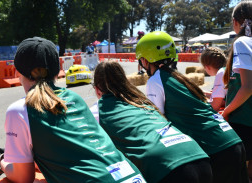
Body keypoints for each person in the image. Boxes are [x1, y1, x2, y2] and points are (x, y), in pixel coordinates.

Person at [0, 37, 146, 183]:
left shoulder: (19, 110)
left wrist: (1, 160)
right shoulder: (75, 99)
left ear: (17, 71)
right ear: (57, 72)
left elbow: (23, 178)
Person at [136, 31, 249, 183]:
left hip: (216, 149)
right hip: (233, 141)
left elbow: (158, 121)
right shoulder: (180, 78)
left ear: (145, 60)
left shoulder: (155, 80)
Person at [91, 61, 212, 183]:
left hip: (167, 168)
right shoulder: (142, 101)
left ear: (97, 89)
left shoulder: (97, 111)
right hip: (198, 155)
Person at [222, 1, 252, 180]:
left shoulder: (243, 42)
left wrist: (226, 111)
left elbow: (248, 87)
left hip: (244, 121)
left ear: (235, 21)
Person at [200, 47, 227, 112]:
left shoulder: (221, 73)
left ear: (207, 67)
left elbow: (215, 106)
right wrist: (201, 93)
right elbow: (225, 99)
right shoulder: (227, 69)